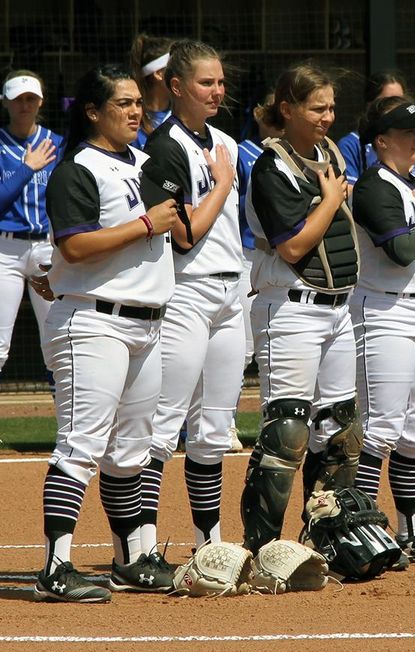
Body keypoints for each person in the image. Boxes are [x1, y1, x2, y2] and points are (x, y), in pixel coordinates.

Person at [32, 64, 180, 603]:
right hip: (93, 321)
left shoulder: (147, 162)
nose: (136, 110)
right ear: (93, 112)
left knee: (131, 451)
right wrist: (145, 224)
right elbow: (73, 246)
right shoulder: (77, 168)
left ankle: (130, 560)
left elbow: (180, 230)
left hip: (148, 319)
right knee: (81, 446)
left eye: (139, 102)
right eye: (122, 103)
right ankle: (56, 567)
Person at [240, 63, 360, 554]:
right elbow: (292, 247)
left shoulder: (328, 152)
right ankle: (264, 548)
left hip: (338, 309)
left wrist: (331, 195)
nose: (328, 117)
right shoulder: (271, 166)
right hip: (290, 307)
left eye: (331, 107)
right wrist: (331, 198)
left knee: (340, 430)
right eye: (317, 108)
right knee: (287, 430)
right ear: (287, 109)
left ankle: (322, 539)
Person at [137, 40, 243, 553]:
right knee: (162, 426)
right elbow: (184, 235)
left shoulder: (227, 140)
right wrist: (221, 184)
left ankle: (210, 546)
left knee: (214, 431)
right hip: (186, 291)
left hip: (230, 290)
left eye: (220, 81)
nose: (217, 90)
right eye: (206, 82)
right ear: (176, 86)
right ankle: (141, 546)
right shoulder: (164, 145)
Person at [348, 94, 415, 563]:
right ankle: (363, 529)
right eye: (409, 133)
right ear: (382, 141)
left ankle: (412, 531)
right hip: (385, 312)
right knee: (381, 428)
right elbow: (402, 251)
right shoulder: (373, 186)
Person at [0, 70, 63, 459]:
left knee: (57, 343)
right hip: (4, 248)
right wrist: (28, 167)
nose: (25, 105)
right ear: (4, 102)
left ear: (41, 102)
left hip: (46, 247)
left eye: (31, 99)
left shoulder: (56, 143)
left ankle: (69, 429)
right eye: (18, 99)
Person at [232, 94, 281, 451]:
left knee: (275, 344)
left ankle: (275, 423)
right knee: (242, 346)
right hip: (246, 254)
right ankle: (224, 423)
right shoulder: (241, 151)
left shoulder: (302, 153)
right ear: (259, 114)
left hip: (286, 259)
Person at [337, 70, 415, 191]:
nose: (398, 107)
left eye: (401, 100)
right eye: (388, 101)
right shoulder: (351, 144)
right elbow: (350, 194)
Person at [129, 33, 175, 150]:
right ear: (159, 74)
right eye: (176, 67)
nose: (183, 73)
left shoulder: (182, 114)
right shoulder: (131, 116)